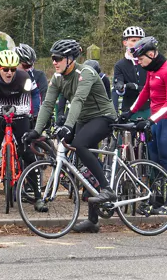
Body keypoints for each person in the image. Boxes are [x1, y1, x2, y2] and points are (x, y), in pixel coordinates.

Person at [23, 39, 117, 233]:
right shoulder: (58, 78)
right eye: (52, 58)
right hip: (83, 119)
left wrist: (67, 125)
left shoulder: (86, 74)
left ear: (70, 59)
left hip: (103, 117)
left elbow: (78, 101)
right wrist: (37, 130)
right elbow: (48, 104)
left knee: (81, 145)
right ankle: (92, 220)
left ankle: (107, 189)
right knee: (77, 155)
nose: (54, 62)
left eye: (57, 58)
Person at [0, 49, 35, 210]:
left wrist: (13, 110)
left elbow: (26, 106)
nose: (9, 73)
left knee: (27, 153)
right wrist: (5, 110)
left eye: (12, 69)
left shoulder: (24, 78)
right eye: (5, 69)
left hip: (18, 116)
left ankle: (38, 196)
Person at [129, 36, 167, 181]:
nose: (139, 63)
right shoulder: (152, 69)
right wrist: (130, 112)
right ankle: (157, 198)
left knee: (165, 158)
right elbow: (145, 91)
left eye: (140, 59)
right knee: (153, 159)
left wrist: (151, 120)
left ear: (151, 55)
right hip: (155, 120)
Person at [113, 26, 148, 117]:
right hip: (129, 108)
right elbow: (118, 88)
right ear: (125, 42)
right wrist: (121, 87)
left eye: (140, 40)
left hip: (148, 107)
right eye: (133, 40)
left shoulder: (149, 61)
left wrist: (137, 87)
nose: (137, 43)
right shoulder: (119, 65)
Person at [16, 44, 48, 114]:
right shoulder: (8, 76)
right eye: (26, 66)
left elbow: (44, 96)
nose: (29, 69)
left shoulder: (39, 75)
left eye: (31, 65)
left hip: (33, 116)